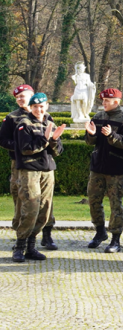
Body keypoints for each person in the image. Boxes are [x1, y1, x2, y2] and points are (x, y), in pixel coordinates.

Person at [12, 93, 66, 262]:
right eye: (35, 107)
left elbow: (57, 152)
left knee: (44, 209)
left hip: (47, 171)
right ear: (31, 107)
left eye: (41, 106)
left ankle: (31, 247)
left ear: (47, 106)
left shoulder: (49, 123)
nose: (38, 109)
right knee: (30, 208)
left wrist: (55, 140)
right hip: (29, 171)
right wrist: (44, 139)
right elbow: (26, 149)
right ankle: (19, 246)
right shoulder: (24, 124)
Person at [84, 88, 123, 253]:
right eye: (103, 100)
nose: (103, 103)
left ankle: (115, 239)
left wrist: (111, 135)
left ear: (116, 102)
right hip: (97, 167)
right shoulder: (98, 117)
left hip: (116, 169)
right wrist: (91, 134)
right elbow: (90, 141)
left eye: (107, 101)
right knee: (93, 200)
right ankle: (100, 232)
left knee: (115, 204)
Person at [0, 85, 35, 238]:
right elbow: (3, 140)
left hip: (39, 164)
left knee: (43, 200)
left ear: (32, 96)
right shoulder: (11, 118)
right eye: (18, 97)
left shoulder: (43, 115)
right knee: (19, 197)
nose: (20, 99)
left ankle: (46, 234)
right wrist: (21, 148)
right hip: (18, 164)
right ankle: (20, 235)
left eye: (23, 96)